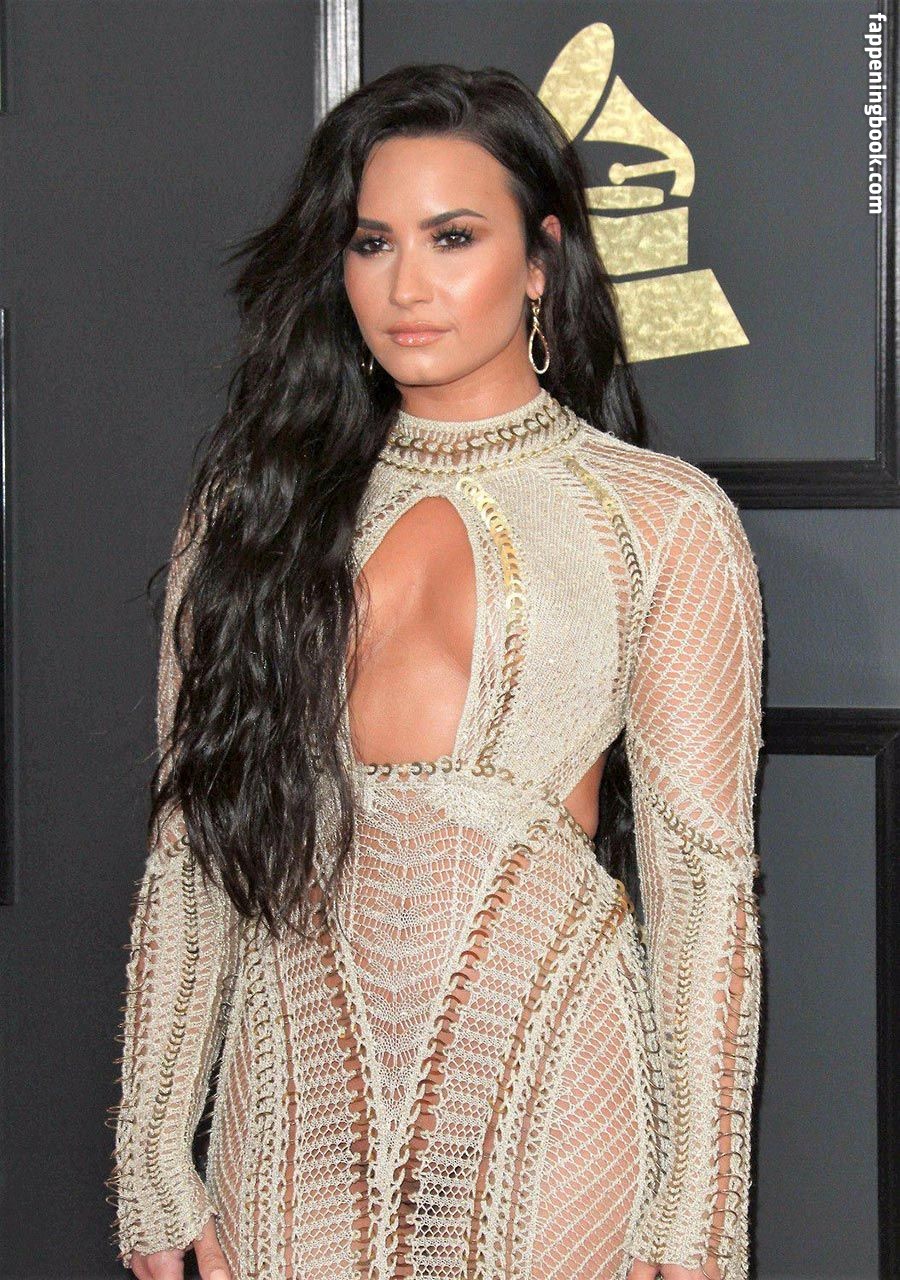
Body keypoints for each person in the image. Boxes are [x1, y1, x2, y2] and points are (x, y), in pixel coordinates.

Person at [106, 63, 764, 1280]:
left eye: (453, 237)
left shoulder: (661, 520)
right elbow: (191, 850)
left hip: (558, 1101)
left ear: (540, 260)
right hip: (291, 1113)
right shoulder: (251, 512)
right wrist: (151, 1155)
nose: (406, 285)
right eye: (372, 242)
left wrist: (698, 1222)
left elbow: (704, 893)